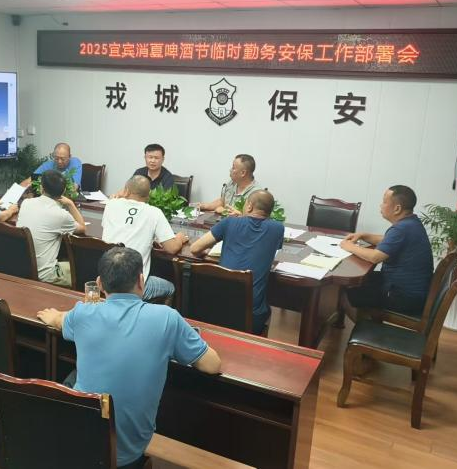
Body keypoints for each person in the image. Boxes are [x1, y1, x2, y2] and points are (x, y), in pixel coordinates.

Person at [36, 247, 221, 468]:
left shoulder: (82, 313)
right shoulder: (167, 318)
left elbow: (58, 320)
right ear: (141, 281)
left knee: (72, 378)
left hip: (81, 442)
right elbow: (212, 365)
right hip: (130, 452)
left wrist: (53, 316)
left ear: (100, 284)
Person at [191, 190, 284, 334]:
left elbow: (195, 248)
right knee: (266, 308)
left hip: (217, 310)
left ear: (249, 206)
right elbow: (257, 229)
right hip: (251, 317)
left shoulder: (229, 222)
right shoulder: (278, 229)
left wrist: (240, 219)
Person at [340, 185, 434, 317]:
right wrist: (363, 235)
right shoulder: (411, 223)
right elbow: (387, 240)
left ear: (397, 209)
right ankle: (366, 322)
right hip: (409, 291)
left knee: (344, 292)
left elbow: (375, 257)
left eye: (384, 202)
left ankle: (365, 328)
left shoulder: (402, 229)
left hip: (403, 296)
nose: (381, 205)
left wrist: (349, 246)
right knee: (354, 282)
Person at [102, 175, 188, 302]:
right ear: (148, 196)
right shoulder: (154, 212)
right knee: (170, 288)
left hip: (106, 280)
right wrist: (179, 238)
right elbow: (172, 248)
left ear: (126, 190)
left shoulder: (111, 205)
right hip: (133, 288)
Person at [17, 170, 86, 287]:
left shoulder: (26, 203)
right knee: (83, 269)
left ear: (41, 188)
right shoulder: (60, 215)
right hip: (46, 275)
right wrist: (70, 203)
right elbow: (82, 227)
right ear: (63, 191)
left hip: (23, 268)